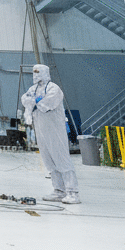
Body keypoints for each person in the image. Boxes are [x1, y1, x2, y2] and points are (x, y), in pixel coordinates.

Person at [21, 64, 79, 204]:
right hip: (41, 130)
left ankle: (73, 192)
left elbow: (46, 104)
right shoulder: (33, 89)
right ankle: (59, 190)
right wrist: (33, 101)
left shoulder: (54, 88)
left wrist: (34, 101)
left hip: (55, 131)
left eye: (38, 73)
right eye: (34, 73)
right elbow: (25, 100)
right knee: (49, 160)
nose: (36, 76)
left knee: (61, 159)